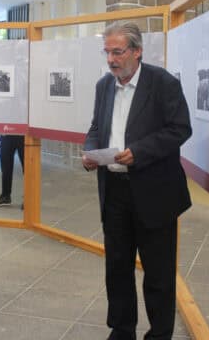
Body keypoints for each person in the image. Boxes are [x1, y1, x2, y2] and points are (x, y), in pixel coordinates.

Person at [82, 21, 192, 340]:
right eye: (107, 52)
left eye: (118, 52)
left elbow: (179, 129)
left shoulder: (163, 83)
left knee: (158, 271)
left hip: (154, 191)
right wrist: (91, 151)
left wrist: (139, 152)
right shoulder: (105, 85)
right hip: (114, 191)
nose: (111, 59)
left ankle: (159, 333)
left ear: (137, 51)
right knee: (117, 266)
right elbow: (96, 128)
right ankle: (122, 328)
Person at [0, 134, 25, 207]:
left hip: (24, 134)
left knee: (27, 167)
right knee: (5, 166)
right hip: (7, 133)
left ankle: (29, 198)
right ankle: (5, 196)